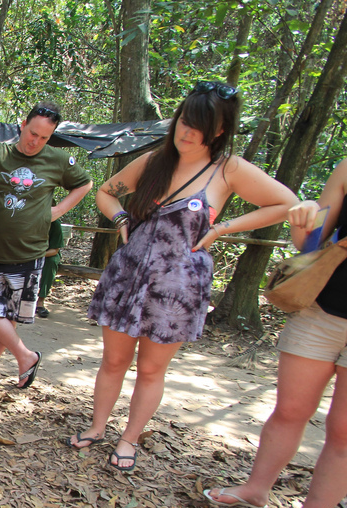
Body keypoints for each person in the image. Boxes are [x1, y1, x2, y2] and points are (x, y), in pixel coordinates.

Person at [69, 81, 297, 472]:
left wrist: (224, 228)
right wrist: (122, 218)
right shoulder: (156, 161)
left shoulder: (228, 169)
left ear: (219, 131)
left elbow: (286, 203)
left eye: (199, 126)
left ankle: (130, 439)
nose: (186, 132)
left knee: (152, 368)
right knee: (113, 361)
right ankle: (98, 426)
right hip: (129, 276)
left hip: (177, 286)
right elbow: (106, 192)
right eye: (184, 121)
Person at [204, 160, 347, 508]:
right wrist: (303, 224)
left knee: (343, 430)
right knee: (290, 409)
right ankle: (255, 489)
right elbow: (312, 244)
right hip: (323, 307)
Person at [0, 56, 93, 389]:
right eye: (33, 132)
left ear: (50, 137)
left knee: (8, 316)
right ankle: (26, 356)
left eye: (44, 137)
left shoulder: (55, 159)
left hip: (31, 253)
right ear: (23, 124)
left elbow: (85, 184)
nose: (35, 141)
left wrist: (56, 212)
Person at [36, 217, 65, 318]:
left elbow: (54, 250)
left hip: (48, 254)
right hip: (29, 252)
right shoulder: (29, 218)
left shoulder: (55, 224)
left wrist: (37, 255)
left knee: (50, 264)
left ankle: (40, 301)